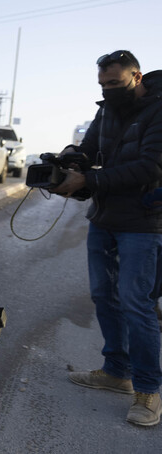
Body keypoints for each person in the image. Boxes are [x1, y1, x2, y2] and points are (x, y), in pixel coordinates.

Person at [52, 50, 162, 427]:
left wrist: (91, 180)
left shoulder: (159, 110)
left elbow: (151, 165)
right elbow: (88, 151)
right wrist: (71, 158)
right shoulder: (106, 110)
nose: (108, 91)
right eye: (102, 85)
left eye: (114, 84)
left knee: (137, 303)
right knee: (104, 295)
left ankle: (148, 391)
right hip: (105, 216)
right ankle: (117, 372)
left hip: (145, 222)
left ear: (137, 76)